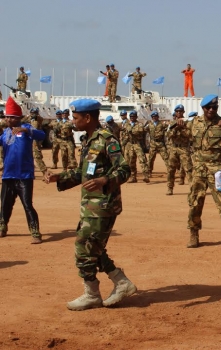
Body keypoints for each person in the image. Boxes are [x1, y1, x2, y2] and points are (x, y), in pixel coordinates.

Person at [44, 98, 136, 311]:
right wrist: (60, 177)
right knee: (93, 247)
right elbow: (82, 173)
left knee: (83, 247)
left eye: (75, 118)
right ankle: (121, 281)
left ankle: (92, 293)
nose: (72, 122)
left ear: (88, 118)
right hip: (90, 206)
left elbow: (124, 169)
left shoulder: (107, 140)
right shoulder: (87, 141)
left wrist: (105, 181)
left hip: (104, 205)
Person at [173, 94, 221, 251]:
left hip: (217, 169)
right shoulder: (194, 123)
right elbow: (174, 137)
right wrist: (177, 126)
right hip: (198, 170)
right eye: (208, 107)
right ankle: (193, 234)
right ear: (203, 109)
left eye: (214, 107)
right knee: (195, 203)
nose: (212, 110)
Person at [0, 97, 45, 244]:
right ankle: (2, 227)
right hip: (8, 175)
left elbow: (42, 135)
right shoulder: (5, 133)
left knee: (27, 204)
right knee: (5, 204)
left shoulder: (27, 129)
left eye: (11, 117)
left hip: (24, 176)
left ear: (18, 117)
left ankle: (35, 231)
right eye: (6, 116)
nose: (7, 119)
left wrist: (26, 130)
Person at [165, 105, 193, 195]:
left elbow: (190, 135)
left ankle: (193, 188)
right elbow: (168, 135)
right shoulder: (172, 123)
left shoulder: (187, 123)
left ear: (183, 112)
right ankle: (170, 188)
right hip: (174, 148)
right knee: (171, 169)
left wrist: (182, 128)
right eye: (177, 111)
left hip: (184, 148)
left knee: (188, 169)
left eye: (181, 111)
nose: (179, 113)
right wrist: (175, 129)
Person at [123, 111, 150, 183]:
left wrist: (131, 130)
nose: (132, 118)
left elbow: (139, 131)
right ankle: (133, 177)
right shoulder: (126, 124)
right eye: (131, 117)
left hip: (137, 144)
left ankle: (146, 176)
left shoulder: (139, 124)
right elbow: (125, 134)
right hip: (129, 144)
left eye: (133, 116)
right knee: (131, 161)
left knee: (142, 160)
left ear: (136, 117)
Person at [146, 111, 169, 177]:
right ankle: (149, 172)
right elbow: (144, 130)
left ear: (158, 117)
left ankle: (169, 171)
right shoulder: (149, 125)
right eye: (153, 117)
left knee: (166, 157)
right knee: (151, 158)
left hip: (160, 143)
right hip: (153, 143)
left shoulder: (162, 124)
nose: (154, 118)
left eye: (155, 116)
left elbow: (168, 128)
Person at [26, 108, 48, 175]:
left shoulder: (38, 119)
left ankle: (44, 172)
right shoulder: (28, 119)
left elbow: (40, 119)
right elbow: (22, 121)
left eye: (35, 113)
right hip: (28, 140)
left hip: (35, 140)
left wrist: (35, 116)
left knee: (37, 156)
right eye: (32, 113)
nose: (33, 114)